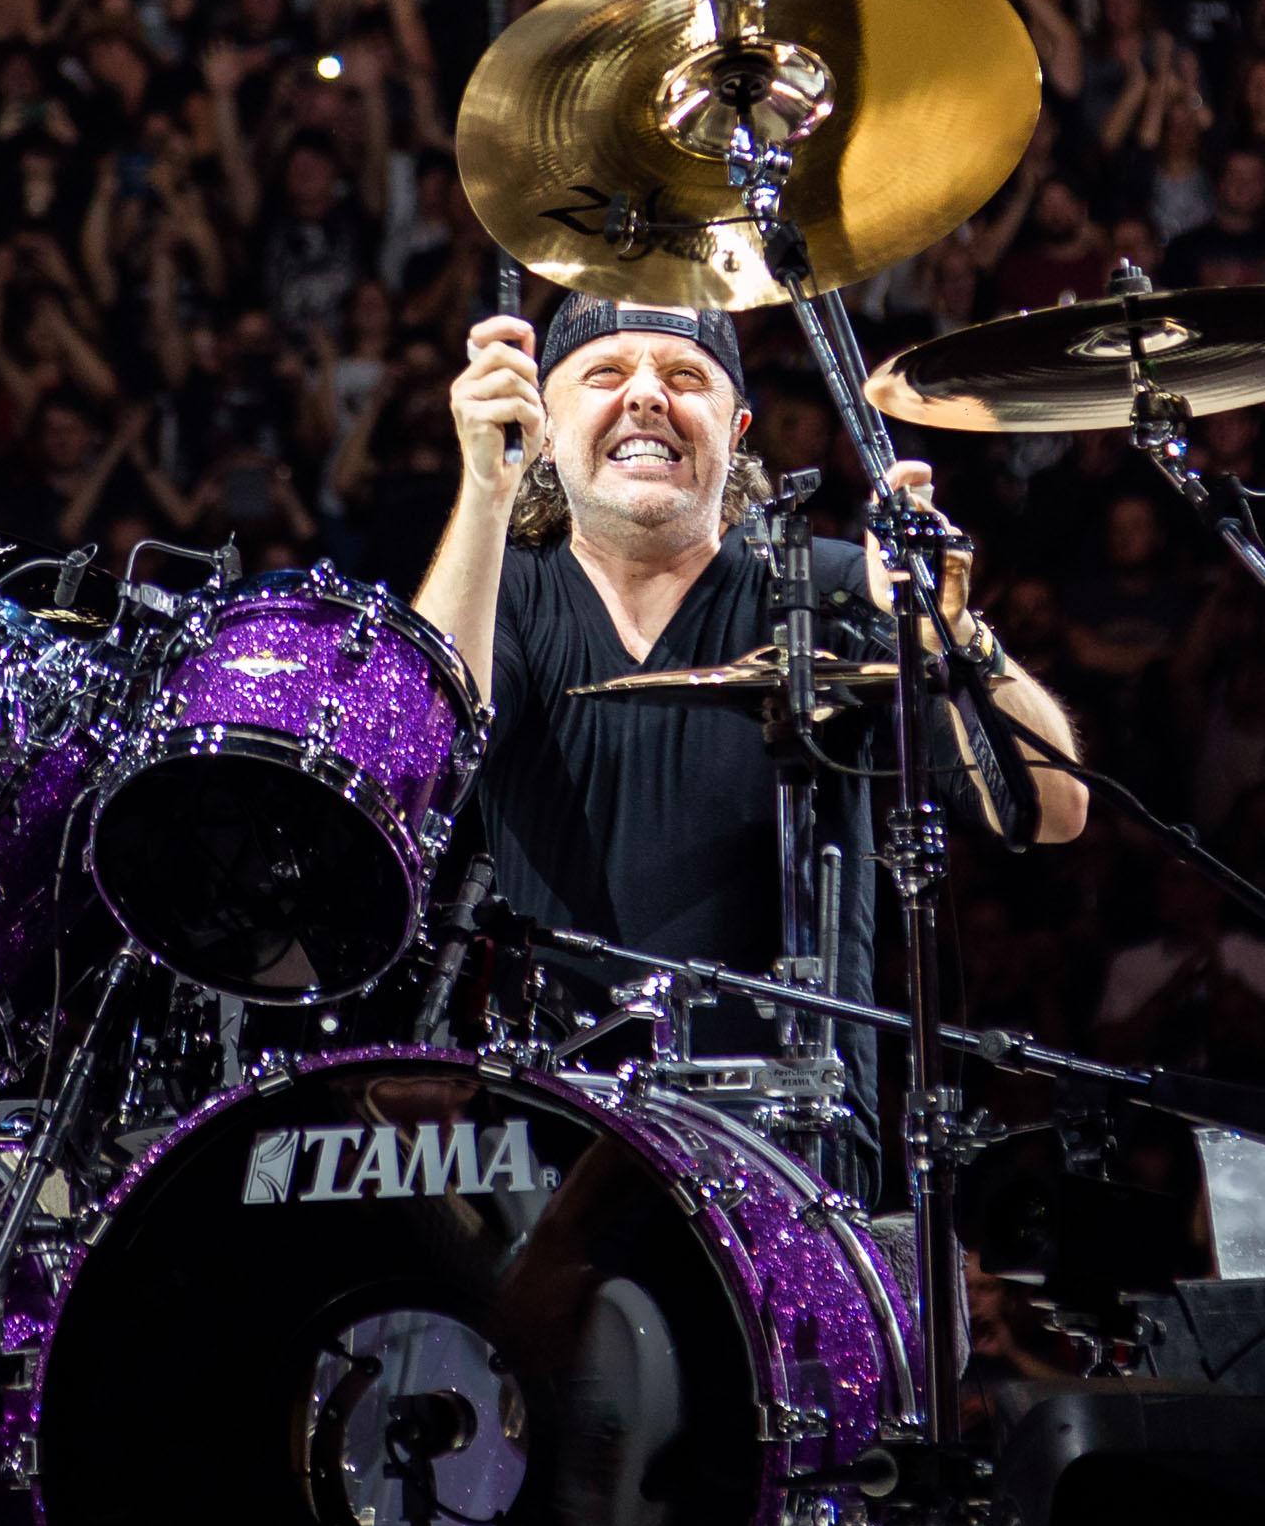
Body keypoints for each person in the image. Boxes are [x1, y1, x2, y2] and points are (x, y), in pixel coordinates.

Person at [413, 295, 1086, 1084]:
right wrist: (485, 492)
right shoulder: (504, 592)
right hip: (557, 1108)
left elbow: (1053, 811)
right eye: (605, 374)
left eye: (685, 376)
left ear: (735, 433)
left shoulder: (838, 586)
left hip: (788, 1129)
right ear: (544, 428)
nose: (646, 395)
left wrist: (952, 633)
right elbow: (413, 769)